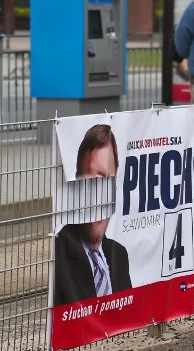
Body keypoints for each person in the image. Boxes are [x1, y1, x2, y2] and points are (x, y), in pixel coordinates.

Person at [54, 124, 132, 306]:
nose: (100, 196)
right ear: (77, 180)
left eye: (107, 181)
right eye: (94, 181)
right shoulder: (59, 253)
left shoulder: (119, 255)